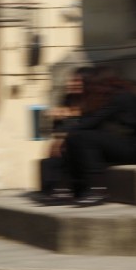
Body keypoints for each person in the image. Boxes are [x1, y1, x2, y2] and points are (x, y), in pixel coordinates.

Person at [63, 66, 136, 206]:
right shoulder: (108, 99)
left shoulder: (121, 98)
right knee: (74, 141)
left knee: (81, 138)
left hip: (134, 149)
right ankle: (71, 190)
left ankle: (98, 189)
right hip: (122, 144)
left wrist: (70, 119)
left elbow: (90, 123)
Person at [37, 67, 93, 204]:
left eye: (76, 81)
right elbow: (60, 125)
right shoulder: (68, 98)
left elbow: (86, 119)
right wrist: (58, 136)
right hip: (66, 141)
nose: (71, 84)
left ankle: (68, 192)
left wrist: (69, 113)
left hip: (83, 142)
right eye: (71, 81)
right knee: (48, 162)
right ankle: (49, 192)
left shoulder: (91, 99)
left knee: (66, 156)